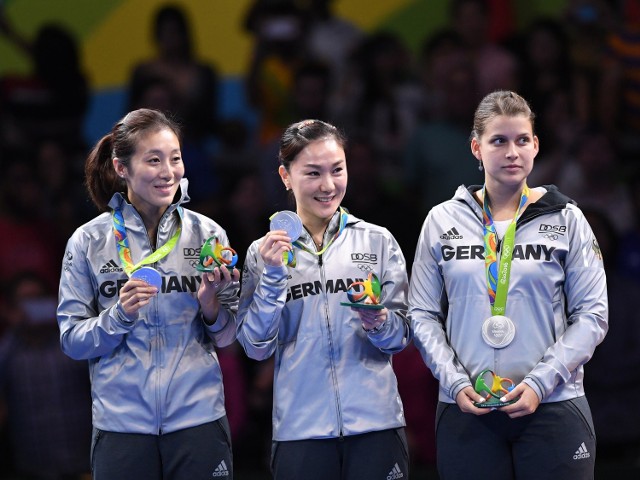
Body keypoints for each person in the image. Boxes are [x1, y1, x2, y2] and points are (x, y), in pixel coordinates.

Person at [408, 90, 608, 479]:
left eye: (521, 140)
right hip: (467, 406)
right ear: (476, 148)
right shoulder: (441, 221)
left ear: (535, 145)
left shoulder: (567, 219)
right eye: (498, 140)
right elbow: (422, 313)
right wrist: (454, 382)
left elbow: (593, 315)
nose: (512, 152)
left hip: (553, 404)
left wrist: (539, 383)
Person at [56, 108, 240, 479]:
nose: (168, 171)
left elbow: (229, 336)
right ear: (121, 167)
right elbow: (72, 341)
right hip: (122, 426)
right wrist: (118, 315)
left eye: (175, 158)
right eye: (153, 160)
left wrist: (211, 308)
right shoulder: (88, 241)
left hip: (198, 419)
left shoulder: (209, 236)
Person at [236, 119, 413, 480]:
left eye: (337, 170)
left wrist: (378, 322)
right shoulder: (262, 253)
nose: (328, 185)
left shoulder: (377, 241)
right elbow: (255, 347)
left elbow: (402, 337)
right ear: (286, 176)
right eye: (313, 173)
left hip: (375, 425)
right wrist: (272, 277)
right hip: (301, 432)